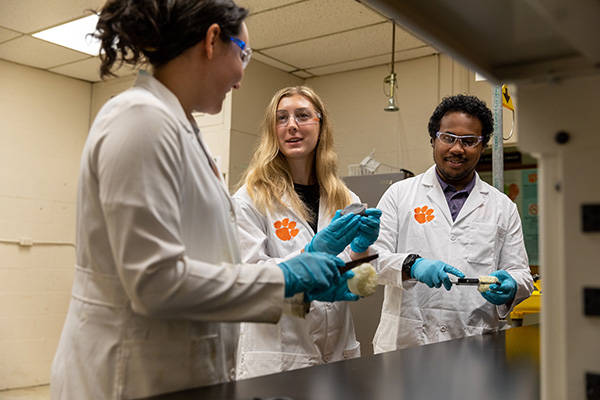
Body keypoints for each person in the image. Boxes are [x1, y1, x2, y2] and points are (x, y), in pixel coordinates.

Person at [50, 2, 353, 399]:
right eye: (243, 55)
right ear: (212, 41)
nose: (242, 76)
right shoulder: (140, 121)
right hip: (128, 379)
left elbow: (210, 270)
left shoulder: (183, 131)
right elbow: (154, 282)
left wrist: (296, 292)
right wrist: (286, 277)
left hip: (178, 372)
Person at [233, 86, 382, 379]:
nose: (291, 126)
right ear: (271, 130)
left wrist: (362, 248)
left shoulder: (345, 197)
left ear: (321, 125)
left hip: (338, 351)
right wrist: (312, 254)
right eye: (281, 118)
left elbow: (361, 281)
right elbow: (248, 279)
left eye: (302, 116)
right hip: (279, 355)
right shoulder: (250, 197)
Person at [372, 94, 534, 353]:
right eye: (448, 138)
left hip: (474, 345)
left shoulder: (503, 207)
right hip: (408, 344)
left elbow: (521, 273)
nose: (457, 149)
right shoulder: (399, 195)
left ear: (483, 147)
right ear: (433, 139)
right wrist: (412, 265)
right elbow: (371, 259)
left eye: (469, 141)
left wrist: (512, 285)